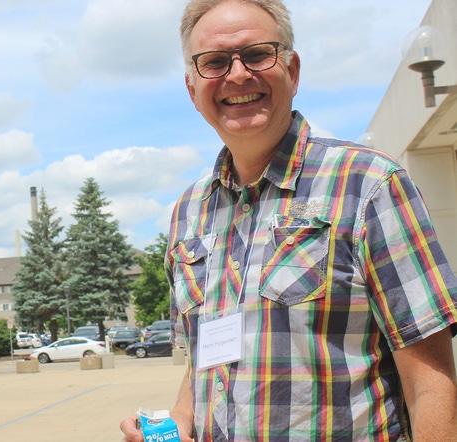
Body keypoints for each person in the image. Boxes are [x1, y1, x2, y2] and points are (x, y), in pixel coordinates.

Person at [120, 0, 457, 440]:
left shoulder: (369, 184)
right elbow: (205, 362)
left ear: (292, 70)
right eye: (215, 62)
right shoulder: (190, 210)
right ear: (192, 89)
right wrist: (180, 420)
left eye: (257, 54)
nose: (237, 75)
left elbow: (431, 383)